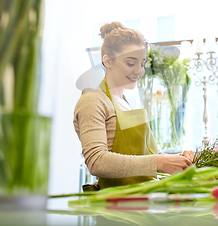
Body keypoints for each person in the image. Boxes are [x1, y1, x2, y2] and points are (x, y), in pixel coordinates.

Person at [73, 21, 194, 190]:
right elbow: (96, 161)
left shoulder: (125, 102)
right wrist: (159, 162)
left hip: (142, 200)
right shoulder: (93, 100)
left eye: (142, 63)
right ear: (107, 61)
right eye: (131, 63)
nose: (139, 71)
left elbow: (148, 157)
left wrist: (180, 159)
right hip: (117, 208)